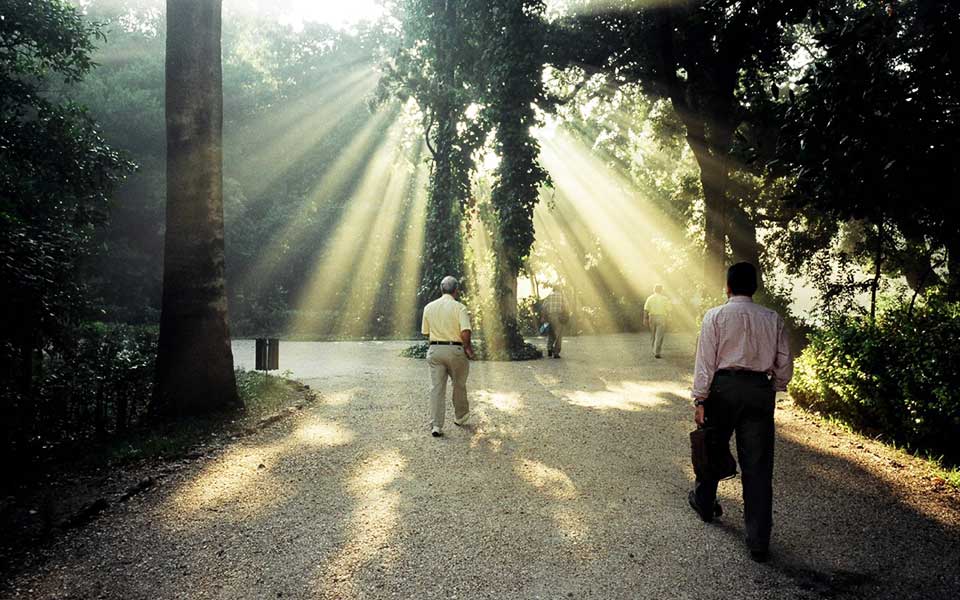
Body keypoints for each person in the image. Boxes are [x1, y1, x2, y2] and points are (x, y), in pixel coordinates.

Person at [688, 262, 793, 562]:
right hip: (759, 390)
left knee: (712, 447)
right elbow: (785, 361)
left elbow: (705, 362)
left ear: (728, 287)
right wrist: (775, 386)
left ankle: (705, 503)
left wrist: (700, 399)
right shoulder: (772, 318)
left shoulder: (715, 316)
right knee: (758, 466)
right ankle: (758, 541)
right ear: (754, 287)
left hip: (723, 389)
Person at [421, 276, 475, 437]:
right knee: (459, 384)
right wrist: (468, 348)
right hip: (455, 350)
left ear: (441, 289)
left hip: (435, 350)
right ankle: (460, 417)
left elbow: (425, 332)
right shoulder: (460, 308)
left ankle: (436, 425)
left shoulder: (429, 307)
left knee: (436, 388)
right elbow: (465, 331)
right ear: (456, 290)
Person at [643, 284, 671, 358]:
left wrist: (645, 319)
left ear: (654, 290)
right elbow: (668, 310)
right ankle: (657, 352)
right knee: (659, 335)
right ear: (661, 290)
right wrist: (669, 317)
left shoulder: (650, 298)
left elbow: (646, 309)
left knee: (653, 335)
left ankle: (654, 350)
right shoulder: (665, 299)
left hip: (652, 317)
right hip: (661, 317)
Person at [540, 288, 569, 358]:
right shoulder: (562, 296)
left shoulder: (549, 296)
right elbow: (566, 306)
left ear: (553, 290)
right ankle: (556, 353)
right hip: (559, 317)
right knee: (559, 335)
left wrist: (543, 317)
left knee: (551, 333)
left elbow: (543, 307)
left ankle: (549, 348)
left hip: (550, 316)